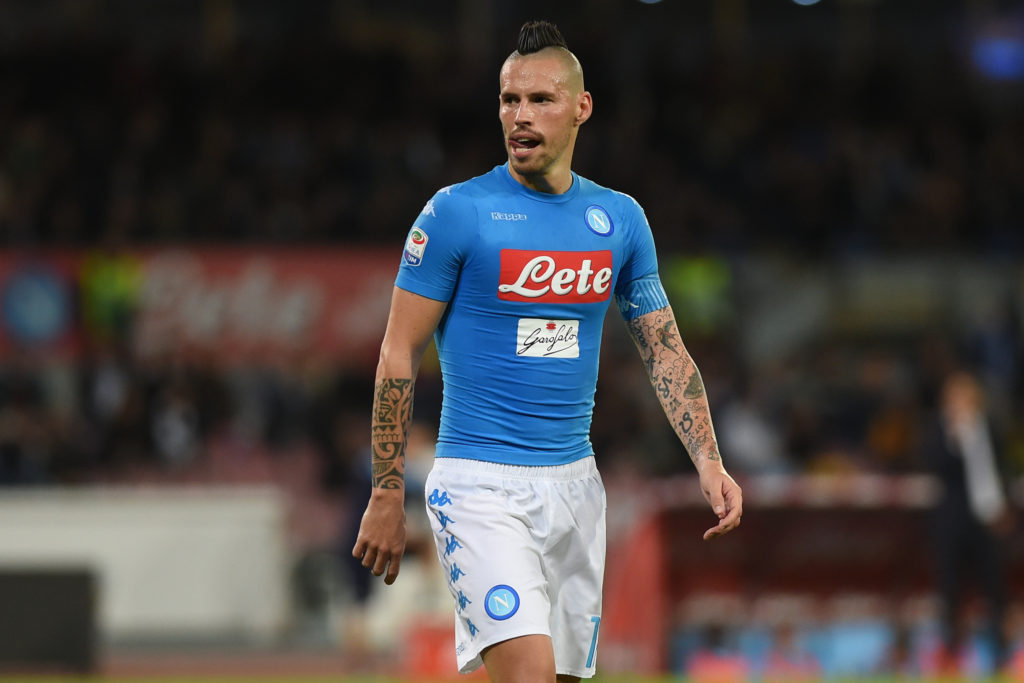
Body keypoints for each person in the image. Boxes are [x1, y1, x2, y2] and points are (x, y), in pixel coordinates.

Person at [352, 20, 743, 682]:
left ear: (581, 107)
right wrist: (387, 489)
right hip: (479, 486)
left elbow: (665, 349)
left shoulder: (619, 220)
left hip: (574, 489)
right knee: (528, 672)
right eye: (509, 101)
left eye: (541, 100)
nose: (521, 116)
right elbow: (397, 351)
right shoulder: (456, 213)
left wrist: (708, 458)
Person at [924, 369, 1013, 675]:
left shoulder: (989, 427)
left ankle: (1001, 655)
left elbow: (1001, 469)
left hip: (986, 517)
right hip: (952, 520)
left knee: (995, 588)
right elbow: (933, 464)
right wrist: (953, 434)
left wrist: (1002, 507)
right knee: (950, 588)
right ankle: (951, 654)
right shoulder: (940, 428)